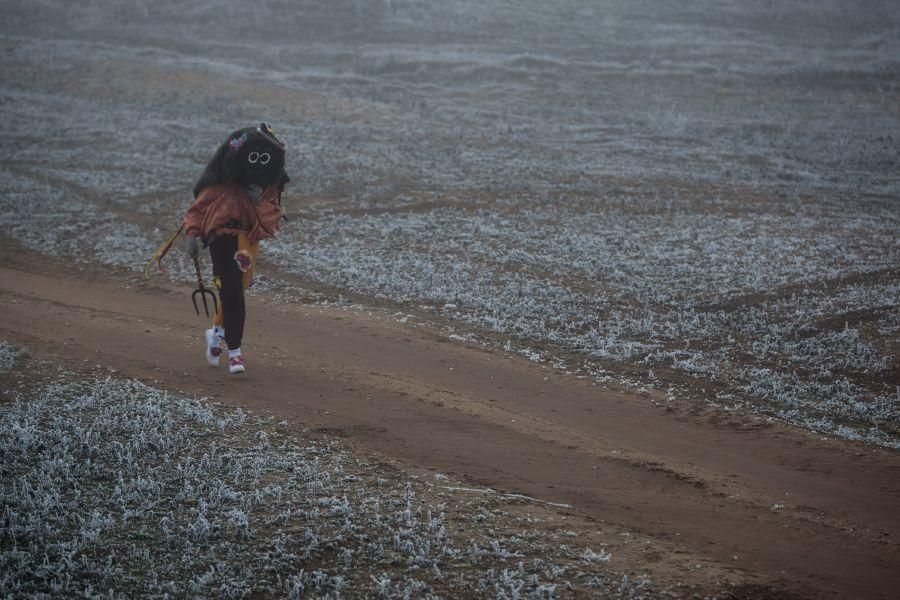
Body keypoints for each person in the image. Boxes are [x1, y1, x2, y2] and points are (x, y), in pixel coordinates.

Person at [183, 123, 289, 374]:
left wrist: (259, 202)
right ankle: (235, 352)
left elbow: (273, 218)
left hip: (247, 241)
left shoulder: (266, 189)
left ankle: (216, 333)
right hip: (221, 239)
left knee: (236, 289)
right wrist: (192, 234)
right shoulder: (220, 184)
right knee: (232, 290)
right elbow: (197, 209)